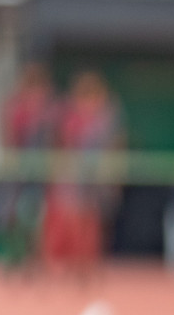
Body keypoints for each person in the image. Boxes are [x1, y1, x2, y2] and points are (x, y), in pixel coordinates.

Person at [42, 71, 123, 278]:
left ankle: (86, 266)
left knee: (90, 224)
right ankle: (59, 265)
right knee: (66, 222)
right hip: (71, 179)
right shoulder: (69, 116)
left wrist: (110, 178)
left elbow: (114, 148)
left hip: (95, 181)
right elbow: (60, 144)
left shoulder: (106, 117)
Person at [0, 63, 57, 271]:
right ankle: (13, 258)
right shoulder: (17, 108)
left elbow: (54, 140)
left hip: (39, 173)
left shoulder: (48, 111)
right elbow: (9, 138)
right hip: (18, 172)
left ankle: (34, 259)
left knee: (37, 218)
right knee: (13, 216)